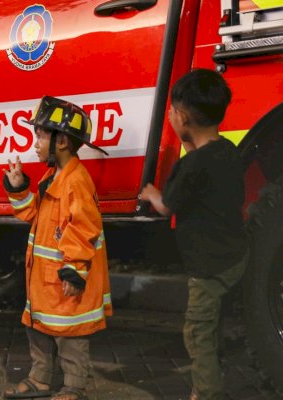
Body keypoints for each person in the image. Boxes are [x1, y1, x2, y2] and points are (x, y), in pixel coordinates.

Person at [140, 69, 248, 400]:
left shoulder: (191, 165)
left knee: (197, 331)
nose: (170, 116)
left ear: (182, 117)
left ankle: (207, 392)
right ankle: (214, 376)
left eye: (172, 111)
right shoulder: (229, 150)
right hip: (234, 256)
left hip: (207, 266)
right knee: (215, 326)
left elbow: (168, 207)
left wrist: (151, 194)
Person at [3, 96, 112, 400]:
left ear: (61, 141)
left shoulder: (76, 182)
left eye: (40, 135)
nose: (34, 142)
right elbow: (34, 215)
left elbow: (83, 228)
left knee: (71, 335)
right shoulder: (54, 177)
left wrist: (75, 271)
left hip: (64, 279)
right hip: (44, 282)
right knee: (37, 327)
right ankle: (40, 379)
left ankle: (74, 387)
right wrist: (18, 186)